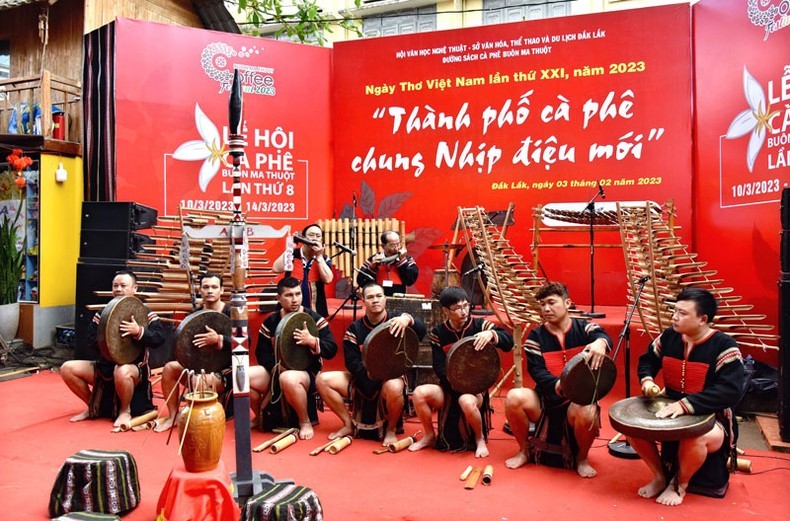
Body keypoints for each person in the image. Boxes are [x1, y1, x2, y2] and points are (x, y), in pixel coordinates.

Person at [628, 288, 744, 506]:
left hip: (711, 416)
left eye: (682, 313)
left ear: (703, 319)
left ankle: (678, 486)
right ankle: (660, 476)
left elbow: (730, 390)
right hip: (669, 407)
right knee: (631, 427)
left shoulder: (725, 346)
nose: (674, 317)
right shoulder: (669, 336)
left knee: (696, 435)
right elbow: (647, 360)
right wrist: (647, 380)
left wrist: (686, 405)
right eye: (674, 311)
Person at [504, 281, 611, 478]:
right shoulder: (535, 337)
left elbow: (603, 336)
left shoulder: (585, 328)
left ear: (567, 303)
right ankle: (524, 450)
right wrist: (559, 385)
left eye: (552, 303)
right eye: (542, 304)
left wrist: (600, 343)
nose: (546, 309)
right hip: (547, 401)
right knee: (514, 397)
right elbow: (537, 372)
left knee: (588, 410)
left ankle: (582, 458)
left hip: (576, 403)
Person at [316, 283, 426, 445]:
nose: (375, 300)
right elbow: (352, 363)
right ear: (363, 301)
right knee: (322, 380)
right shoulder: (354, 329)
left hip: (390, 378)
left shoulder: (397, 320)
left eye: (379, 296)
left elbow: (421, 332)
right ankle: (348, 424)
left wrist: (408, 319)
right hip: (364, 376)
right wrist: (371, 374)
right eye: (370, 297)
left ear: (385, 299)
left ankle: (391, 429)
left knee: (395, 387)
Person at [409, 286, 513, 457]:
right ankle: (429, 435)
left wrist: (492, 334)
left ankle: (479, 440)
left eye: (466, 306)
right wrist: (456, 385)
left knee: (466, 401)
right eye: (457, 308)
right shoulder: (438, 333)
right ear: (445, 311)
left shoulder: (480, 325)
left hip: (474, 389)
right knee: (419, 393)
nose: (464, 311)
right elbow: (439, 368)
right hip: (449, 387)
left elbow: (508, 342)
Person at [60, 270, 167, 428]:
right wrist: (111, 344)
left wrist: (138, 332)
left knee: (121, 370)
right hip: (105, 366)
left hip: (134, 369)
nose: (118, 289)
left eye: (123, 285)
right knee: (67, 368)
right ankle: (93, 406)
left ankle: (125, 411)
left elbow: (159, 337)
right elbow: (90, 339)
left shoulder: (145, 312)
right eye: (115, 285)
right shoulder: (103, 313)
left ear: (135, 288)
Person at [249, 276, 337, 440]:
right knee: (244, 376)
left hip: (306, 374)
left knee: (288, 378)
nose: (295, 299)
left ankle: (304, 422)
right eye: (289, 295)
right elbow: (261, 353)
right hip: (276, 370)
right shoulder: (271, 322)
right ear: (279, 298)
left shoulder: (314, 318)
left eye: (298, 294)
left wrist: (311, 341)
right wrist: (276, 368)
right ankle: (259, 416)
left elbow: (331, 349)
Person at [155, 272, 232, 432]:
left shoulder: (232, 313)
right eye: (205, 287)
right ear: (200, 291)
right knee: (170, 368)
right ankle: (173, 416)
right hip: (197, 368)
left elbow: (246, 342)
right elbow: (181, 345)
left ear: (222, 290)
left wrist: (219, 339)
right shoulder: (193, 315)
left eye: (214, 287)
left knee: (199, 381)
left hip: (226, 371)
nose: (210, 290)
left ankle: (201, 421)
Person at [273, 223, 333, 317]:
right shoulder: (293, 253)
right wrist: (290, 249)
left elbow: (328, 279)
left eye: (318, 236)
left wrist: (319, 257)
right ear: (303, 238)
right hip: (289, 307)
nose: (314, 238)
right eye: (311, 235)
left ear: (321, 240)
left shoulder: (323, 259)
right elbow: (276, 269)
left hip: (315, 309)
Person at [356, 230, 418, 296]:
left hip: (398, 299)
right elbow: (361, 283)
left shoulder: (407, 259)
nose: (396, 248)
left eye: (398, 244)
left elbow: (410, 281)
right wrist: (371, 268)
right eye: (392, 245)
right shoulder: (373, 259)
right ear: (383, 246)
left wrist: (402, 262)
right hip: (378, 298)